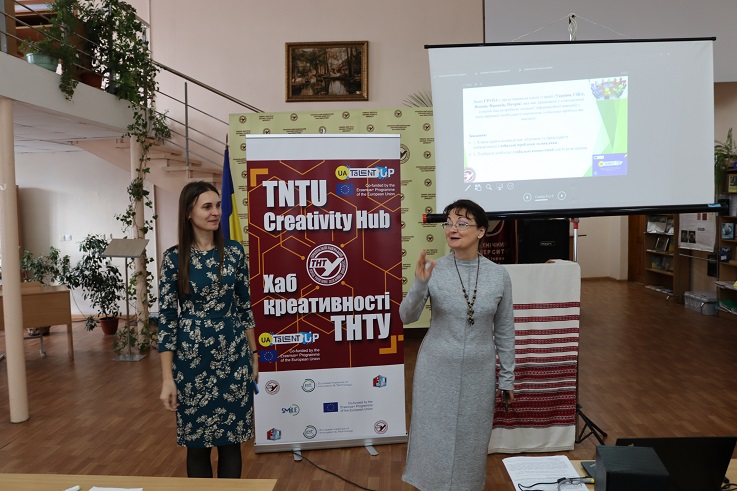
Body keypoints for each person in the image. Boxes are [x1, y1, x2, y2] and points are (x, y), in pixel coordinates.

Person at [400, 198, 515, 491]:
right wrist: (420, 284)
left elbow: (504, 329)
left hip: (479, 369)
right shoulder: (434, 269)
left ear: (481, 231)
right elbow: (406, 316)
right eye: (448, 223)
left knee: (472, 437)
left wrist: (507, 376)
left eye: (462, 223)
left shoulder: (498, 275)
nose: (453, 229)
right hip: (436, 367)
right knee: (432, 436)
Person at [158, 181, 259, 479]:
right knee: (197, 446)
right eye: (207, 206)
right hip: (192, 362)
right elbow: (167, 320)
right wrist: (167, 379)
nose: (215, 212)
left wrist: (254, 354)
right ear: (188, 213)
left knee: (231, 444)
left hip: (233, 356)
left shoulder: (235, 252)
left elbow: (245, 307)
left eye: (217, 206)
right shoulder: (174, 258)